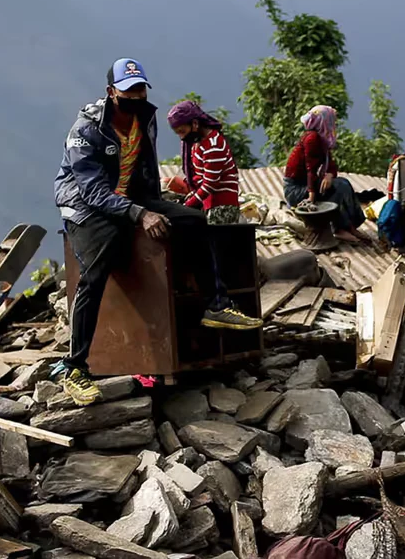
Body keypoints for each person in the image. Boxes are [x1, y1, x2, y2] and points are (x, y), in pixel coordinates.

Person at [53, 59, 262, 405]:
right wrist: (139, 215)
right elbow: (91, 191)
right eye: (128, 90)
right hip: (87, 207)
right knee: (96, 271)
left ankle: (216, 304)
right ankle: (75, 367)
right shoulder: (85, 131)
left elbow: (144, 168)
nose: (136, 95)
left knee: (194, 221)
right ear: (111, 92)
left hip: (134, 198)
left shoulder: (143, 118)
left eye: (140, 88)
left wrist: (153, 204)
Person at [283, 105, 371, 243]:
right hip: (296, 189)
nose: (334, 124)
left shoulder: (322, 139)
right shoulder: (311, 138)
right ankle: (339, 228)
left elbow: (331, 166)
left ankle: (351, 226)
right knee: (336, 188)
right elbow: (310, 169)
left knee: (344, 183)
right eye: (332, 121)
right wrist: (311, 196)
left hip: (307, 184)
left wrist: (329, 175)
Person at [166, 100, 242, 225]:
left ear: (195, 123)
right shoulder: (198, 144)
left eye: (182, 131)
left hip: (221, 207)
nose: (181, 137)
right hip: (209, 204)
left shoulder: (214, 144)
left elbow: (210, 184)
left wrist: (187, 205)